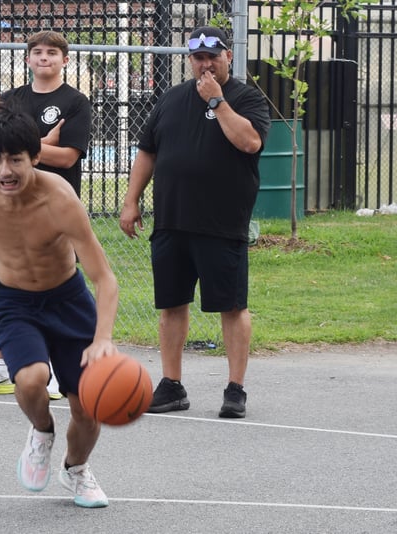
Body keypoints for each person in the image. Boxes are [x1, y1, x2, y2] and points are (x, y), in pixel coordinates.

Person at [0, 106, 119, 508]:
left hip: (67, 300)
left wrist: (103, 339)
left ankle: (76, 469)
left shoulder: (60, 200)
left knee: (87, 408)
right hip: (15, 303)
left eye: (16, 159)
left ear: (36, 155)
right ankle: (42, 431)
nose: (5, 171)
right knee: (30, 379)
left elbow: (105, 278)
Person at [119, 26, 271, 419]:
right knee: (171, 305)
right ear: (190, 60)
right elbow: (148, 152)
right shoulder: (170, 99)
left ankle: (235, 389)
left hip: (221, 223)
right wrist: (131, 200)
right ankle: (171, 385)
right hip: (172, 220)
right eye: (198, 58)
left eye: (213, 57)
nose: (205, 64)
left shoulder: (246, 98)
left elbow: (249, 142)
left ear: (228, 58)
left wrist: (217, 102)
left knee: (231, 306)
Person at [0, 30, 92, 399]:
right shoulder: (10, 99)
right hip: (5, 201)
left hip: (48, 209)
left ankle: (48, 365)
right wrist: (41, 142)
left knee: (52, 282)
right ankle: (2, 365)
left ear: (65, 60)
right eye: (37, 52)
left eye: (52, 52)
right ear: (27, 59)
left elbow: (68, 156)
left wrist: (32, 148)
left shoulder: (75, 102)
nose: (44, 58)